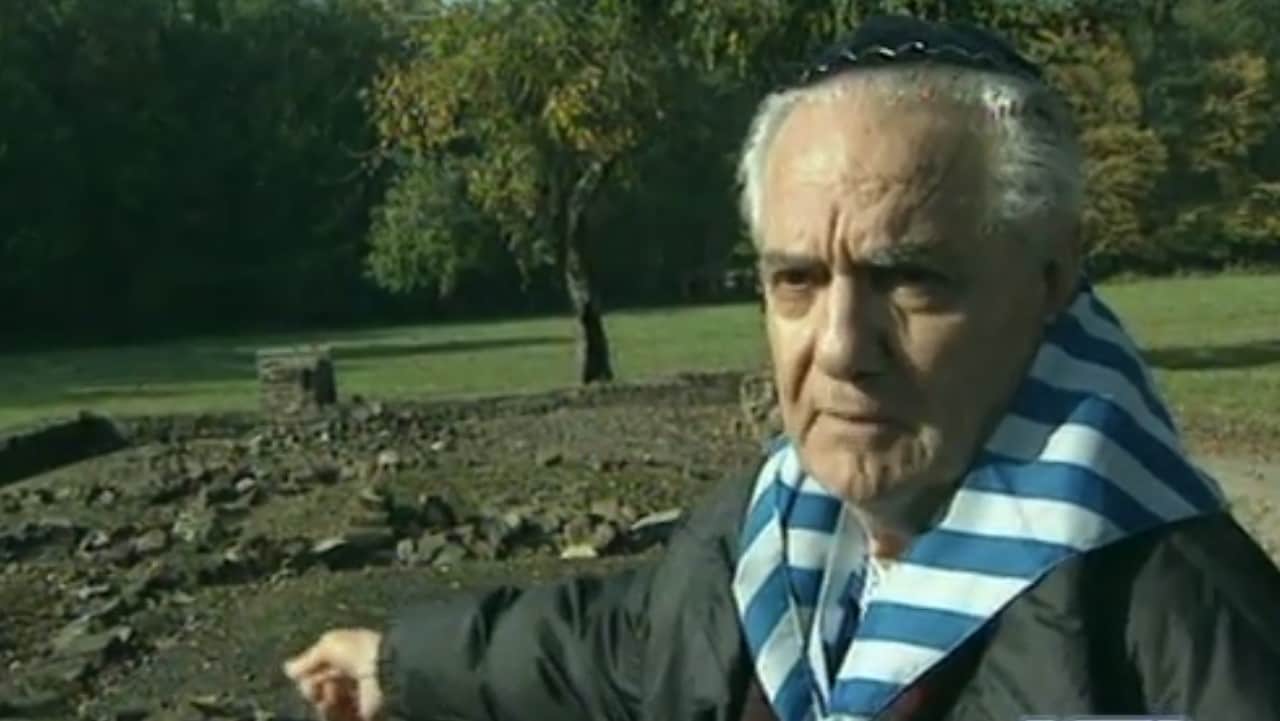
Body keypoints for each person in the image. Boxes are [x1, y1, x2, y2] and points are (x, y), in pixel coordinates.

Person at [283, 15, 1280, 721]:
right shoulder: (767, 533)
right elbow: (624, 645)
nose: (839, 346)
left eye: (909, 277)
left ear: (1050, 277)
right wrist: (398, 663)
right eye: (795, 279)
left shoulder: (1185, 633)